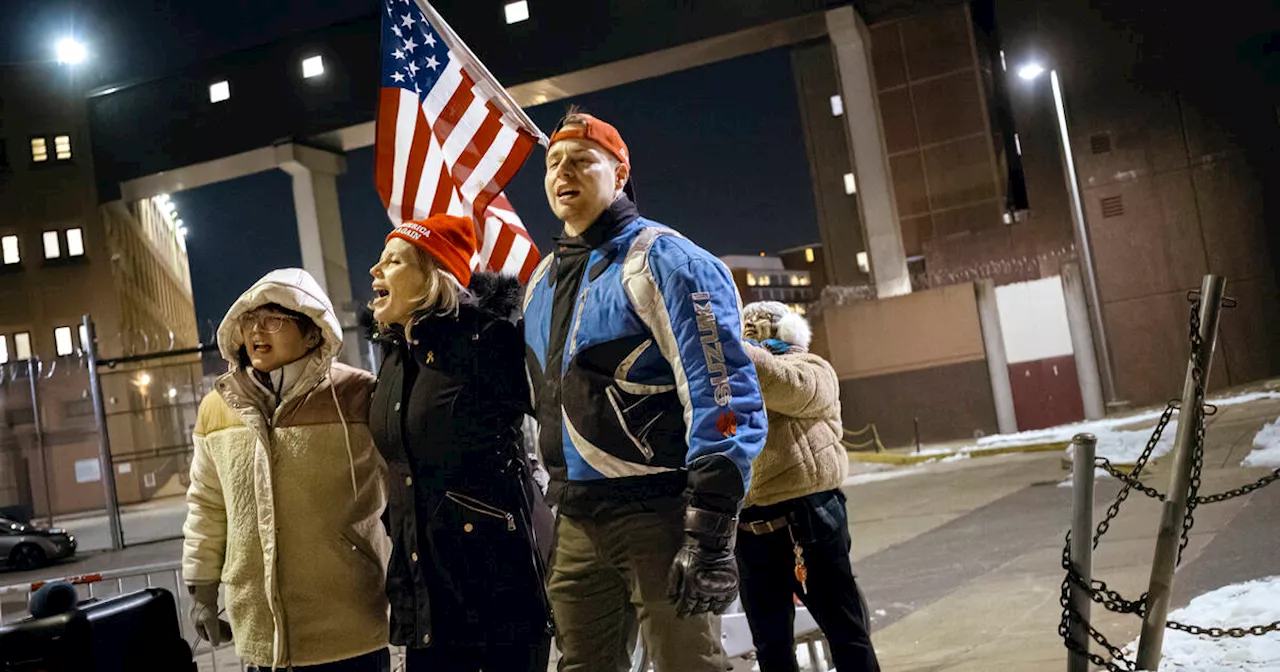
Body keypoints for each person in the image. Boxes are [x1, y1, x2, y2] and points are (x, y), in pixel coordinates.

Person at [523, 111, 767, 671]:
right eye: (554, 162)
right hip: (578, 524)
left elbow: (723, 396)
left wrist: (708, 530)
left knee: (688, 666)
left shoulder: (668, 262)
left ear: (620, 172)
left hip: (660, 518)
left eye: (583, 160)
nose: (565, 171)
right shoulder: (541, 280)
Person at [366, 214, 554, 672]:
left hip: (496, 592)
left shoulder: (489, 341)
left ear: (433, 275)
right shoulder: (395, 356)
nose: (375, 271)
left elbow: (562, 415)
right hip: (426, 597)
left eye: (392, 261)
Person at [182, 268, 391, 672]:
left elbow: (403, 490)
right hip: (261, 635)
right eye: (250, 320)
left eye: (274, 320)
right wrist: (202, 591)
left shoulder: (358, 395)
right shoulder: (219, 406)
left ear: (314, 332)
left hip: (350, 628)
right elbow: (207, 506)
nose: (258, 330)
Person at [735, 301, 880, 672]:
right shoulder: (731, 378)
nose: (750, 331)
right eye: (744, 326)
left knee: (845, 632)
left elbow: (785, 386)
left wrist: (733, 350)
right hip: (750, 528)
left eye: (757, 327)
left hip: (808, 519)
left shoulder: (812, 368)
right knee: (771, 648)